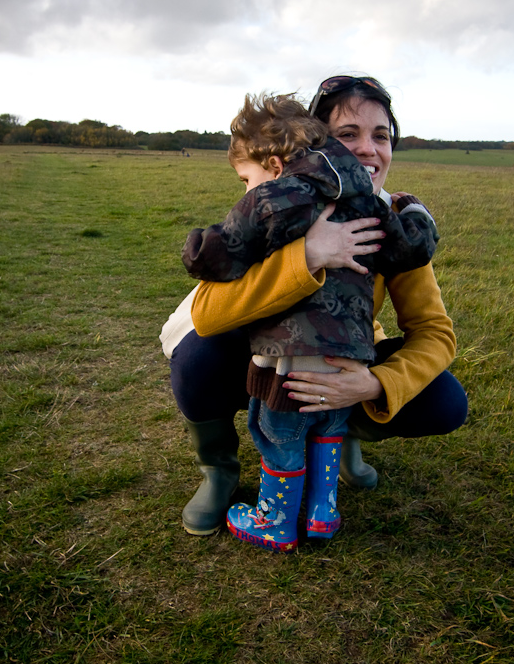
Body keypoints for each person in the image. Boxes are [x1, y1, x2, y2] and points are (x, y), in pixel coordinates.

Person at [161, 75, 468, 538]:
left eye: (381, 135)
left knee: (442, 401)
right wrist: (308, 255)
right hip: (265, 353)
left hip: (341, 359)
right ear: (316, 144)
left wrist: (373, 384)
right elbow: (207, 312)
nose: (367, 149)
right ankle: (219, 470)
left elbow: (434, 332)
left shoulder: (386, 217)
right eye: (348, 135)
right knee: (198, 355)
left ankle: (338, 445)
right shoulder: (279, 202)